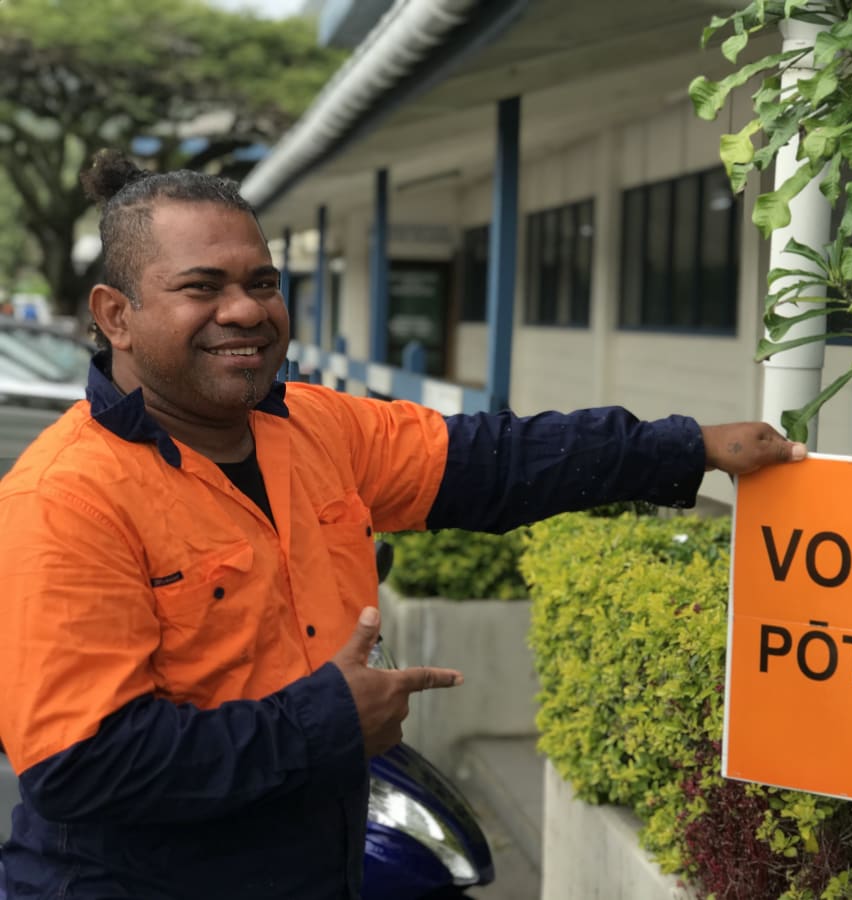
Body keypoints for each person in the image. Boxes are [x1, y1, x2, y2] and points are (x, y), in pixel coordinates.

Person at [0, 150, 806, 900]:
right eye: (202, 287)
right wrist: (328, 723)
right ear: (116, 315)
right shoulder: (66, 497)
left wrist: (688, 447)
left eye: (264, 282)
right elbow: (84, 765)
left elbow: (493, 461)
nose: (245, 310)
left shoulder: (314, 429)